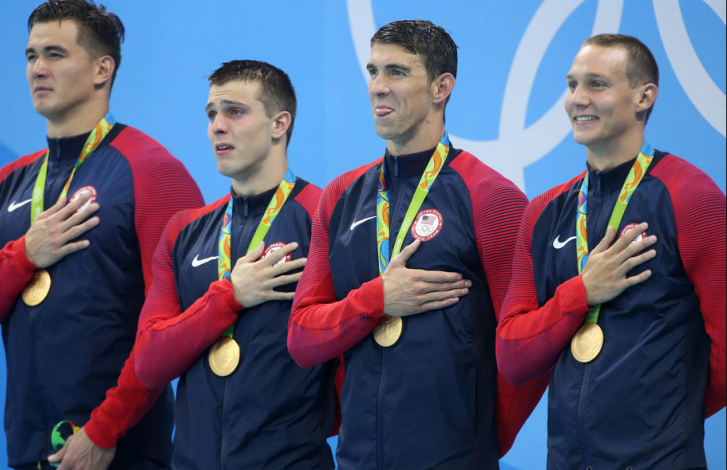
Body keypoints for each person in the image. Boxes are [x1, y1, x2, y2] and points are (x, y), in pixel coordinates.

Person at [0, 1, 204, 469]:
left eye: (55, 55)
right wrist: (24, 254)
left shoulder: (154, 172)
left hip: (121, 451)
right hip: (28, 453)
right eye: (30, 56)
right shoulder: (8, 183)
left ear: (102, 69)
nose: (37, 69)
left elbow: (175, 331)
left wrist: (104, 431)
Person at [288, 20, 548, 469]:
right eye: (373, 71)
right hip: (358, 456)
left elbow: (527, 350)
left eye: (397, 72)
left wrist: (479, 437)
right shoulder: (340, 197)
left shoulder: (491, 197)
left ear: (441, 87)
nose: (378, 87)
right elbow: (303, 338)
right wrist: (376, 300)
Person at [496, 34, 726, 470]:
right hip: (566, 460)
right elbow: (513, 357)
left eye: (596, 84)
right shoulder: (544, 213)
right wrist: (580, 292)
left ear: (644, 97)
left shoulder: (691, 199)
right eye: (571, 85)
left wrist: (667, 417)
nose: (577, 99)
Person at [134, 60, 338, 470]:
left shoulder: (325, 217)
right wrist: (229, 297)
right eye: (211, 114)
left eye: (234, 112)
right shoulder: (185, 231)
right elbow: (149, 363)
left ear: (280, 124)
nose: (217, 126)